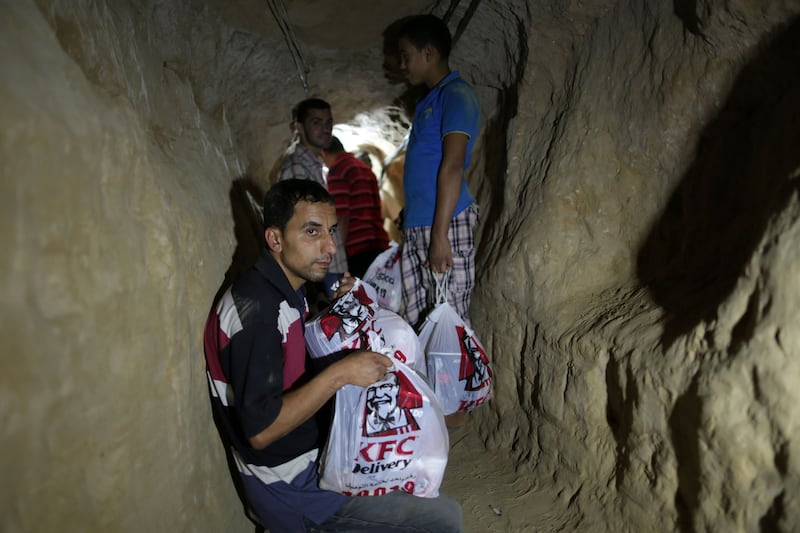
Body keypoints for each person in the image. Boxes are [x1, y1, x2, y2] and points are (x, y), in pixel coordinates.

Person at [203, 178, 463, 532]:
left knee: (416, 465)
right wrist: (340, 373)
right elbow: (261, 432)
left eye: (331, 230)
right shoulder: (258, 316)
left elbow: (293, 353)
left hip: (314, 450)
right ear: (275, 239)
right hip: (291, 484)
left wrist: (340, 311)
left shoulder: (286, 289)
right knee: (442, 519)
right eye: (312, 232)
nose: (328, 246)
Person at [394, 14, 481, 330]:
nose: (402, 64)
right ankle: (427, 382)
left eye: (406, 55)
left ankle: (460, 382)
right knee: (419, 323)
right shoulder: (428, 101)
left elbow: (453, 165)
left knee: (450, 323)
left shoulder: (456, 94)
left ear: (428, 53)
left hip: (445, 222)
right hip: (422, 223)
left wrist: (440, 235)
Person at [279, 98, 348, 294]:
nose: (325, 129)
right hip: (318, 268)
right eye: (316, 122)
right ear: (299, 127)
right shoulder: (297, 169)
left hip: (328, 264)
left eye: (329, 123)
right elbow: (299, 227)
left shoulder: (314, 166)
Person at [321, 136, 391, 278]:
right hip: (380, 244)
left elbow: (341, 217)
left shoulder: (337, 171)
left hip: (358, 250)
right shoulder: (365, 168)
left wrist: (336, 252)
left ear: (323, 153)